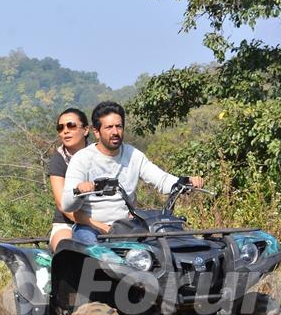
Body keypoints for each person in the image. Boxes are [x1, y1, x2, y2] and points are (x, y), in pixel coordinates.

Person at [61, 101, 203, 243]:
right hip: (90, 227)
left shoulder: (133, 155)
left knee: (163, 246)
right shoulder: (82, 159)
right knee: (92, 250)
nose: (115, 132)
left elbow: (162, 180)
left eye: (119, 126)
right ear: (96, 132)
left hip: (127, 226)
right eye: (109, 127)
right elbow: (67, 204)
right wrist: (79, 191)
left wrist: (186, 182)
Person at [47, 108, 107, 250]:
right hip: (67, 223)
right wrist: (98, 225)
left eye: (71, 126)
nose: (65, 131)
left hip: (105, 219)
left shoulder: (101, 154)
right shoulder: (59, 159)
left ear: (86, 130)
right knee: (67, 251)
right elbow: (63, 205)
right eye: (60, 128)